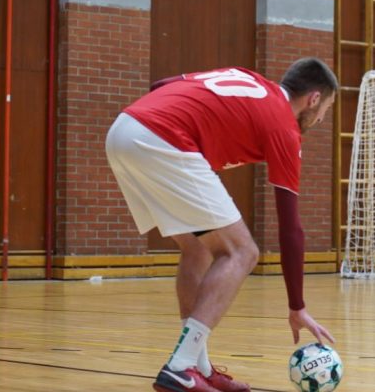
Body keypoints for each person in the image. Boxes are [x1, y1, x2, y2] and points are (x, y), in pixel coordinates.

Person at [105, 59, 337, 392]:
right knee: (241, 251)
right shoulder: (284, 127)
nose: (321, 119)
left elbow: (163, 83)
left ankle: (196, 365)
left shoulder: (248, 80)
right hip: (162, 138)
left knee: (197, 248)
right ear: (314, 99)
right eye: (325, 110)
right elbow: (290, 228)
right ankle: (180, 367)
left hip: (125, 129)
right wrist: (297, 306)